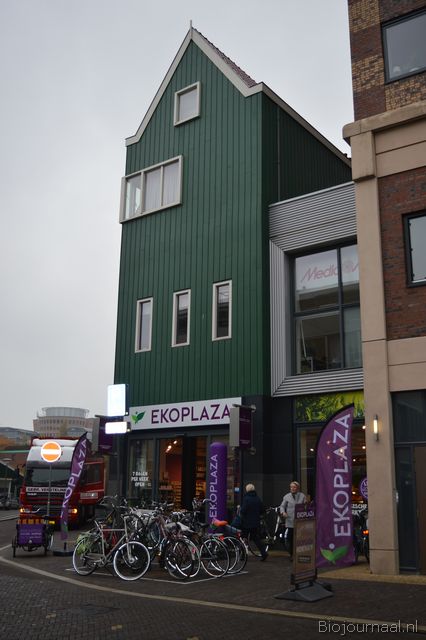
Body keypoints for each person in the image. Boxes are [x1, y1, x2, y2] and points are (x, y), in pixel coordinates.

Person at [240, 483, 268, 561]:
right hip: (255, 522)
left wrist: (241, 511)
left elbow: (243, 511)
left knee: (243, 538)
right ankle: (264, 553)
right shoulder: (257, 498)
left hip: (246, 523)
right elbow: (263, 510)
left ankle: (243, 555)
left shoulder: (246, 499)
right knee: (256, 539)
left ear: (247, 490)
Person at [279, 480, 306, 559]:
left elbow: (306, 506)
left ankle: (299, 553)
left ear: (298, 488)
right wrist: (283, 512)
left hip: (299, 520)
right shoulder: (286, 496)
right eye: (291, 487)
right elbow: (282, 506)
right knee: (290, 538)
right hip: (290, 520)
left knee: (299, 538)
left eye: (294, 487)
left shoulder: (302, 496)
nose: (292, 488)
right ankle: (292, 554)